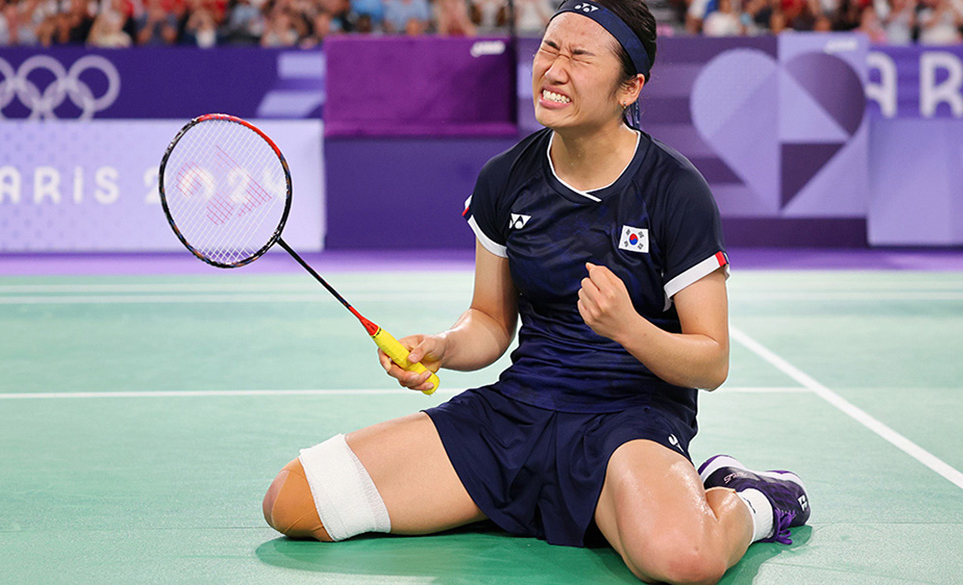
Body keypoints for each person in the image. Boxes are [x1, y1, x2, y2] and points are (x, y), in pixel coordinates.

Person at [262, 0, 811, 583]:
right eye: (550, 48)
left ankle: (751, 500)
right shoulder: (506, 178)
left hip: (628, 421)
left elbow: (712, 360)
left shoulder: (675, 191)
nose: (554, 68)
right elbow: (490, 322)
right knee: (292, 501)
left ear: (631, 88)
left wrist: (630, 328)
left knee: (686, 561)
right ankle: (537, 499)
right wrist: (444, 347)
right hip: (517, 413)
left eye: (579, 55)